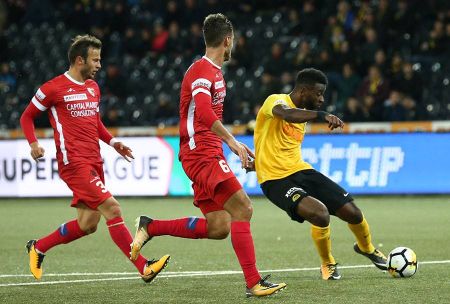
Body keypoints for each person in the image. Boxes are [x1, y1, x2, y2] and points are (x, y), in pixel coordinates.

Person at [130, 13, 286, 297]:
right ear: (227, 40)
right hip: (200, 152)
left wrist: (227, 147)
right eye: (233, 41)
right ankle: (253, 282)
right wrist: (234, 143)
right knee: (244, 208)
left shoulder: (210, 71)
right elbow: (203, 111)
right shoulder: (204, 71)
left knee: (219, 226)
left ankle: (151, 227)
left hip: (204, 152)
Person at [19, 35, 169, 282]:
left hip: (94, 162)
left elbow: (94, 121)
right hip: (73, 163)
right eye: (95, 60)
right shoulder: (52, 88)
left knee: (88, 224)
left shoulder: (93, 87)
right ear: (80, 60)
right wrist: (33, 143)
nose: (100, 64)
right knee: (113, 208)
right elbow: (26, 117)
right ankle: (144, 267)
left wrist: (113, 142)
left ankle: (38, 247)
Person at [253, 68, 387, 280]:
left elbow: (278, 145)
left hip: (301, 171)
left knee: (353, 212)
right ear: (304, 90)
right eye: (318, 93)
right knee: (320, 214)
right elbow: (287, 114)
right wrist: (322, 115)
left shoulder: (303, 115)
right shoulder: (276, 100)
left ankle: (367, 248)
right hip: (275, 181)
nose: (322, 99)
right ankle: (328, 263)